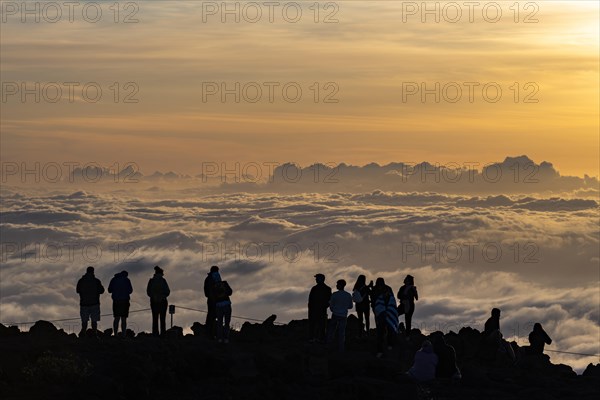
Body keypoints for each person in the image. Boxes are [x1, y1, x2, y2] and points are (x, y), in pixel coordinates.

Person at [371, 277, 398, 357]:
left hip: (379, 312)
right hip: (387, 312)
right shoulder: (388, 288)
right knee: (388, 328)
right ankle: (389, 345)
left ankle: (380, 350)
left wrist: (375, 308)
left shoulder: (375, 289)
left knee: (380, 330)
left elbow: (372, 300)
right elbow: (392, 299)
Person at [76, 266, 105, 337]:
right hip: (94, 303)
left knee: (84, 320)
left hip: (84, 303)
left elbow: (77, 290)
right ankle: (94, 334)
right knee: (94, 320)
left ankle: (83, 332)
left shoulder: (81, 281)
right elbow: (102, 291)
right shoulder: (96, 281)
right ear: (93, 271)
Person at [326, 279, 353, 352]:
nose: (336, 285)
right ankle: (341, 349)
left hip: (335, 314)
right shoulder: (348, 295)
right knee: (341, 332)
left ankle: (329, 346)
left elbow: (331, 305)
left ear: (340, 285)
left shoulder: (335, 294)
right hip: (343, 315)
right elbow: (350, 306)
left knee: (331, 331)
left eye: (337, 284)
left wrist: (333, 309)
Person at [209, 269, 233, 344]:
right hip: (227, 304)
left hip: (218, 306)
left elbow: (212, 297)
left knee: (219, 322)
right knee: (227, 323)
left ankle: (219, 338)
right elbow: (230, 292)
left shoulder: (213, 287)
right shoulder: (224, 283)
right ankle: (226, 338)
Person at [108, 270, 133, 337]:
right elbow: (130, 290)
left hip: (116, 301)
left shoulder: (114, 279)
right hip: (125, 300)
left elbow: (109, 290)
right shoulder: (127, 280)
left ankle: (115, 334)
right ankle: (123, 334)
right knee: (124, 318)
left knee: (116, 318)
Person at [146, 266, 170, 336]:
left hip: (154, 301)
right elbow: (168, 291)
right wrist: (162, 296)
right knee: (163, 319)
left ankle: (155, 333)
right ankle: (163, 334)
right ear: (161, 273)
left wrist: (154, 296)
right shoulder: (163, 281)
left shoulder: (151, 281)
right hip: (163, 301)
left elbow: (148, 292)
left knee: (155, 318)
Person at [308, 273, 332, 342]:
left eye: (317, 278)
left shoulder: (315, 288)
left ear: (321, 279)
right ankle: (319, 338)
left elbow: (310, 300)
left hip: (317, 310)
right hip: (319, 310)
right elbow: (329, 300)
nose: (316, 280)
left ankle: (315, 338)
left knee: (316, 325)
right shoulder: (327, 289)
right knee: (320, 325)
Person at [204, 266, 220, 338]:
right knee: (212, 316)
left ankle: (211, 332)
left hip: (214, 299)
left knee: (212, 316)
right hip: (213, 300)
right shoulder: (213, 278)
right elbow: (209, 291)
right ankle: (210, 333)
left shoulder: (210, 278)